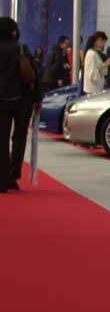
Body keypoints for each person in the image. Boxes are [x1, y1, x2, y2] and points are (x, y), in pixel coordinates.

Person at [0, 17, 43, 192]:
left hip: (0, 101)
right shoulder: (21, 48)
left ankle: (1, 179)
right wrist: (38, 97)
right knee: (19, 139)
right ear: (13, 31)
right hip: (22, 100)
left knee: (1, 140)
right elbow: (34, 74)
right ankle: (13, 175)